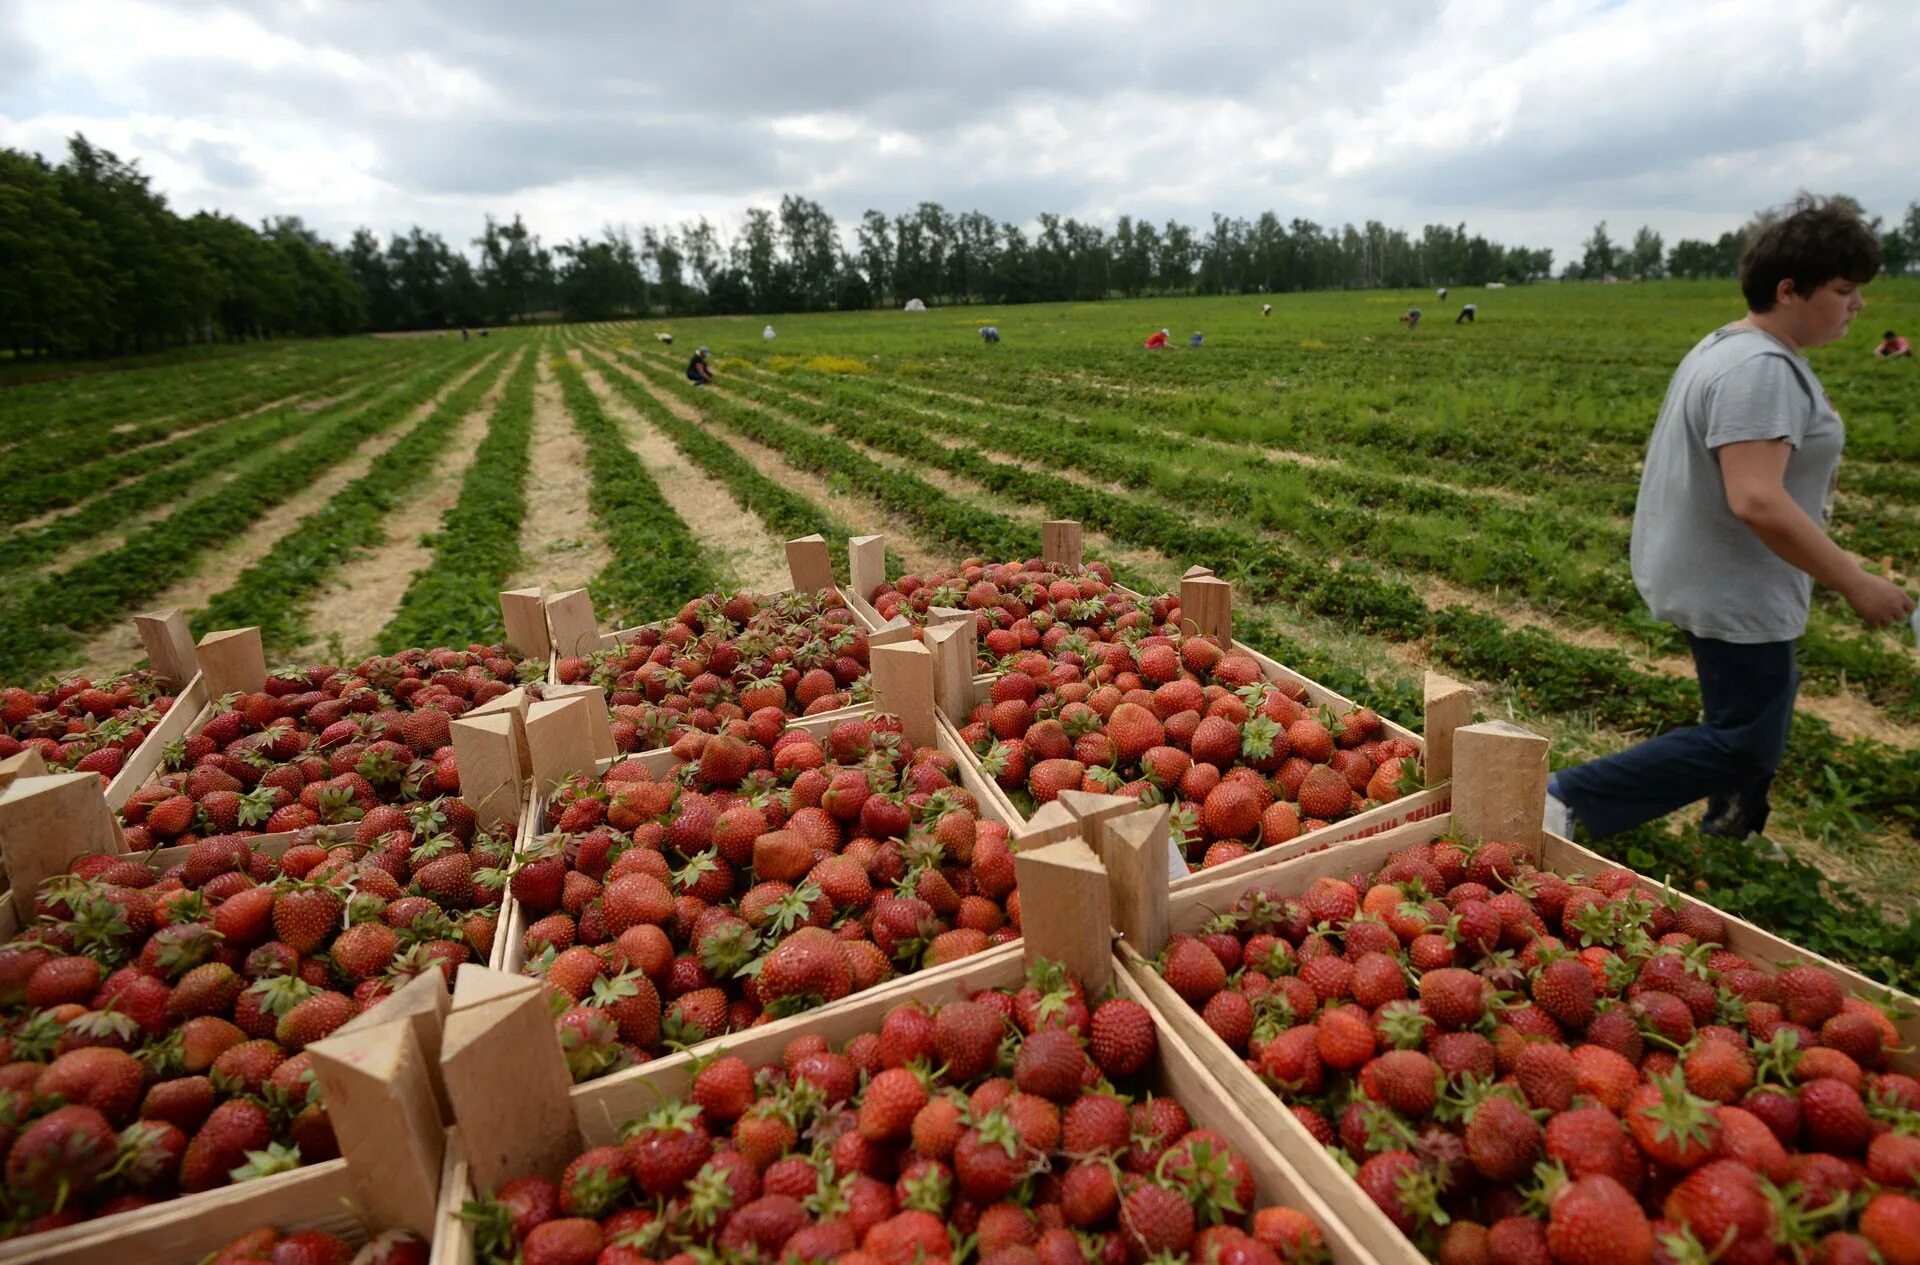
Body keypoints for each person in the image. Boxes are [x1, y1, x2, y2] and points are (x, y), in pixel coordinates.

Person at [1546, 195, 1913, 844]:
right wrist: (1855, 581)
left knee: (1755, 715)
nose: (1858, 305)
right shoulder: (1759, 370)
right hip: (1736, 584)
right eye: (1843, 290)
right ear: (1789, 290)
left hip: (1727, 575)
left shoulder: (1732, 347)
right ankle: (1561, 799)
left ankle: (1731, 831)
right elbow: (1757, 499)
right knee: (1746, 739)